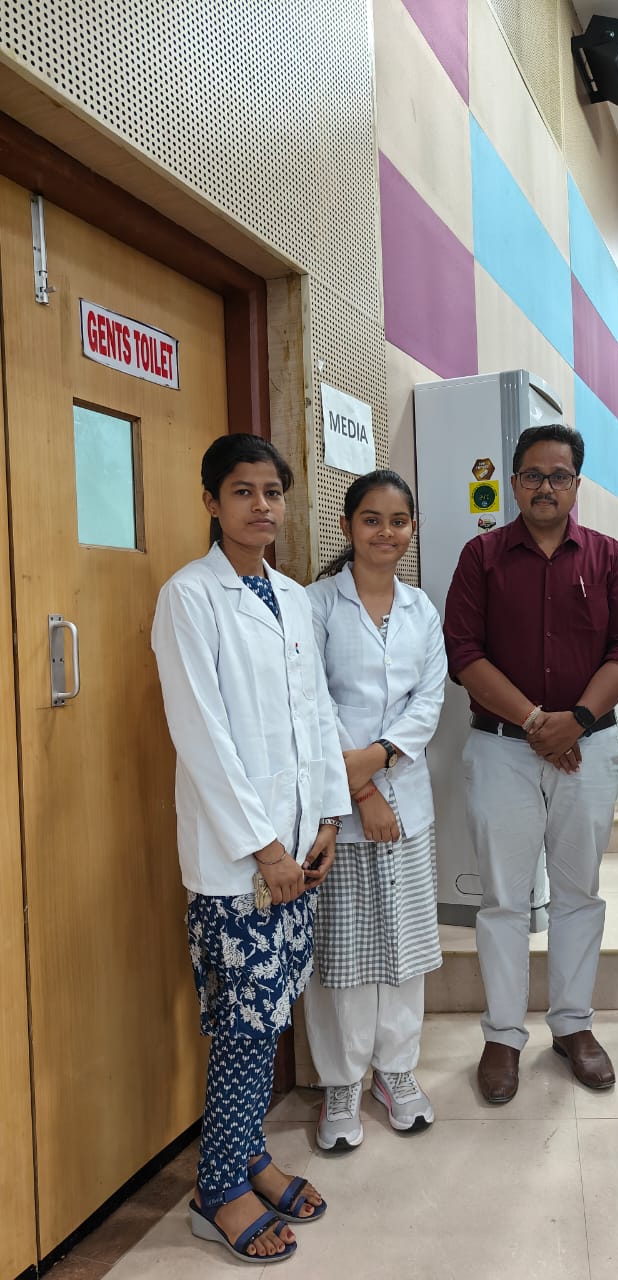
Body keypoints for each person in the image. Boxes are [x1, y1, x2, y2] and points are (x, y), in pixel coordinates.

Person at [152, 434, 351, 1264]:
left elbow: (317, 715)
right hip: (243, 862)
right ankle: (218, 1188)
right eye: (242, 491)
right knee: (244, 1024)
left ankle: (250, 1156)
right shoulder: (189, 597)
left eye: (273, 491)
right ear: (211, 502)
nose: (261, 506)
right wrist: (266, 847)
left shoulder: (293, 597)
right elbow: (202, 734)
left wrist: (330, 816)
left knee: (269, 1015)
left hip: (298, 850)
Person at [444, 424, 618, 1104]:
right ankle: (502, 1035)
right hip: (502, 747)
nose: (545, 487)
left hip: (589, 747)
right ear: (513, 481)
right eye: (532, 475)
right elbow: (464, 654)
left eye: (559, 476)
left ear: (576, 484)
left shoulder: (609, 557)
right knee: (504, 899)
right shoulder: (481, 556)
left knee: (578, 891)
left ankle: (572, 1026)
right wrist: (537, 723)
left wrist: (576, 721)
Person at [302, 470, 445, 1150]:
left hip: (407, 801)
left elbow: (430, 699)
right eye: (371, 519)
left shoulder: (422, 609)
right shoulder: (315, 604)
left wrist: (380, 762)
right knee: (343, 952)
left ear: (413, 528)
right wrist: (360, 792)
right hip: (339, 809)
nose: (386, 532)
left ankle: (396, 1070)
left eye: (398, 520)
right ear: (347, 526)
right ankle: (341, 1082)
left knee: (405, 947)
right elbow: (310, 700)